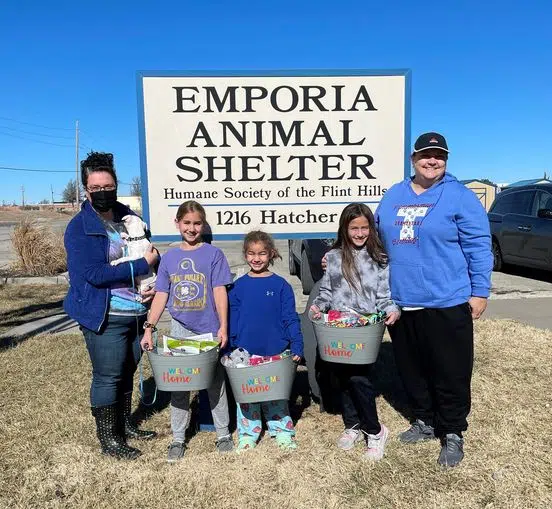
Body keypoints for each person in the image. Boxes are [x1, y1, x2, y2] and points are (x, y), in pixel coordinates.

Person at [376, 132, 493, 467]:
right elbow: (373, 238)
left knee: (451, 371)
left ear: (446, 160)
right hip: (402, 301)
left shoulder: (459, 196)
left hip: (447, 300)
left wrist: (480, 291)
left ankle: (453, 431)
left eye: (439, 156)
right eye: (425, 155)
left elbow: (478, 247)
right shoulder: (394, 195)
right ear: (413, 159)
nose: (432, 160)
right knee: (412, 369)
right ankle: (425, 421)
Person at [64, 151, 159, 460]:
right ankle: (109, 439)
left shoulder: (131, 217)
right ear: (86, 190)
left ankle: (124, 424)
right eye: (97, 188)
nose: (104, 192)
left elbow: (151, 250)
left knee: (128, 369)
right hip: (105, 313)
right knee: (108, 375)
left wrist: (154, 282)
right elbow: (93, 274)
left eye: (109, 186)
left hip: (137, 310)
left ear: (116, 184)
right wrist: (141, 266)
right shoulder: (80, 227)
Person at [141, 200, 233, 461]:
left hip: (209, 331)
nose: (192, 228)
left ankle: (223, 433)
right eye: (187, 223)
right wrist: (149, 328)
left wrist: (223, 327)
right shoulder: (169, 258)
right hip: (180, 330)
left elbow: (219, 292)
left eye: (197, 223)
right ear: (177, 223)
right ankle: (178, 438)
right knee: (179, 385)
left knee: (215, 384)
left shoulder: (213, 255)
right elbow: (161, 295)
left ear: (203, 225)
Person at [310, 203, 400, 461]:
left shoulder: (380, 259)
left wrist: (392, 310)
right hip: (339, 326)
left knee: (360, 378)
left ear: (371, 228)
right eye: (354, 228)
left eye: (364, 227)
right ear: (345, 229)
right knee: (341, 377)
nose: (360, 233)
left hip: (364, 329)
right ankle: (353, 425)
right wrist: (318, 307)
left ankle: (375, 430)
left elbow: (384, 296)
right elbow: (327, 292)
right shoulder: (335, 257)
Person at [228, 230, 303, 452]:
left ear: (271, 254)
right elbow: (233, 318)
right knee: (248, 396)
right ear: (245, 254)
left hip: (276, 351)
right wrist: (230, 346)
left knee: (275, 395)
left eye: (262, 253)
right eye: (251, 253)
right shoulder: (238, 286)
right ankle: (248, 434)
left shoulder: (281, 285)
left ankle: (282, 431)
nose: (256, 258)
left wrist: (296, 343)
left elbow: (290, 318)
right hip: (246, 353)